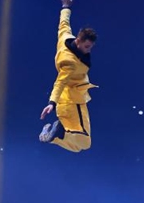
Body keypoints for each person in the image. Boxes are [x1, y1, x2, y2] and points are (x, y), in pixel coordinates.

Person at [38, 0, 98, 152]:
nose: (88, 50)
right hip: (72, 101)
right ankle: (60, 133)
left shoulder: (65, 38)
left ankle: (53, 136)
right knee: (84, 142)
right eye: (86, 47)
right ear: (78, 41)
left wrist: (65, 6)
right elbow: (60, 82)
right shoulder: (70, 62)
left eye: (90, 47)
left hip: (71, 101)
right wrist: (51, 102)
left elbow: (64, 24)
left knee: (82, 145)